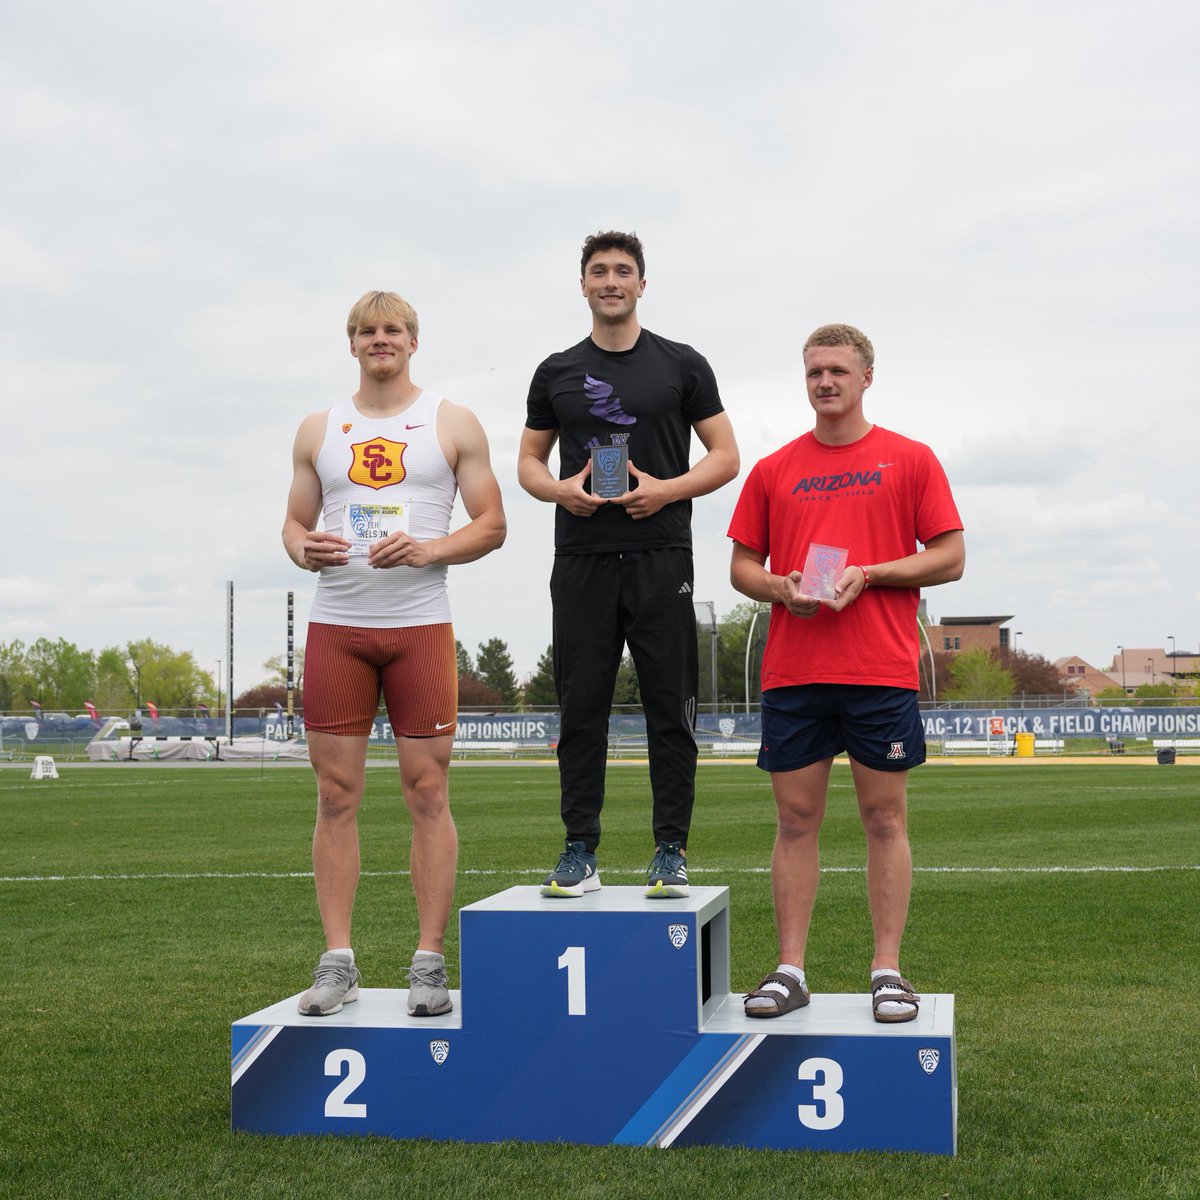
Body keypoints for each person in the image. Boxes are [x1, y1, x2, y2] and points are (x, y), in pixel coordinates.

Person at [727, 324, 964, 1023]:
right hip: (795, 669)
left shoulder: (909, 459)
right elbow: (742, 567)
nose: (824, 382)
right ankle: (790, 968)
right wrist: (781, 588)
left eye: (836, 370)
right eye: (813, 372)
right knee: (796, 820)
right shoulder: (773, 469)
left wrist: (873, 574)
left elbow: (949, 556)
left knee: (883, 819)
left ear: (866, 377)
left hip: (878, 667)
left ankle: (887, 969)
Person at [283, 290, 506, 1017]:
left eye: (394, 330)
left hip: (419, 627)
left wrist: (431, 547)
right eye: (367, 331)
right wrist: (301, 547)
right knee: (336, 795)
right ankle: (338, 961)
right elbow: (292, 521)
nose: (381, 340)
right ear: (351, 344)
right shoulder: (320, 427)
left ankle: (429, 962)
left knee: (427, 792)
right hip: (337, 628)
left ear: (414, 341)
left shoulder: (452, 421)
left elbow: (493, 524)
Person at [519, 231, 739, 899]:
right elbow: (528, 463)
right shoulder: (555, 370)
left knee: (668, 707)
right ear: (582, 285)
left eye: (623, 271)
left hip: (660, 553)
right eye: (598, 271)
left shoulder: (682, 363)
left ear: (642, 284)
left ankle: (670, 849)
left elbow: (726, 456)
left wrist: (665, 491)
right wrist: (560, 491)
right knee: (580, 706)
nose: (611, 281)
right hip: (581, 556)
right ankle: (579, 849)